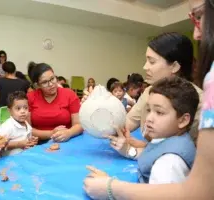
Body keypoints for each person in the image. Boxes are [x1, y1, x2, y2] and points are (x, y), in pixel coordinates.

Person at [83, 0, 214, 199]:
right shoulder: (151, 91)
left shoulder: (202, 102)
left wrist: (111, 188)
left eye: (151, 61)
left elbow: (195, 174)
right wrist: (98, 110)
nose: (145, 67)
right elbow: (122, 125)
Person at [87, 77, 199, 186]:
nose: (149, 118)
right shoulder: (174, 140)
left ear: (183, 120)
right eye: (149, 110)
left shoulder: (168, 164)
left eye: (159, 112)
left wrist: (109, 187)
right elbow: (153, 153)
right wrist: (127, 150)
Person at [27, 62, 83, 142]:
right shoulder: (30, 97)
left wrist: (69, 132)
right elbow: (27, 130)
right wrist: (51, 133)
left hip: (66, 141)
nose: (51, 84)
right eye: (45, 82)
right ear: (37, 85)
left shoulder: (69, 94)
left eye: (52, 79)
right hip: (38, 144)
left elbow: (79, 125)